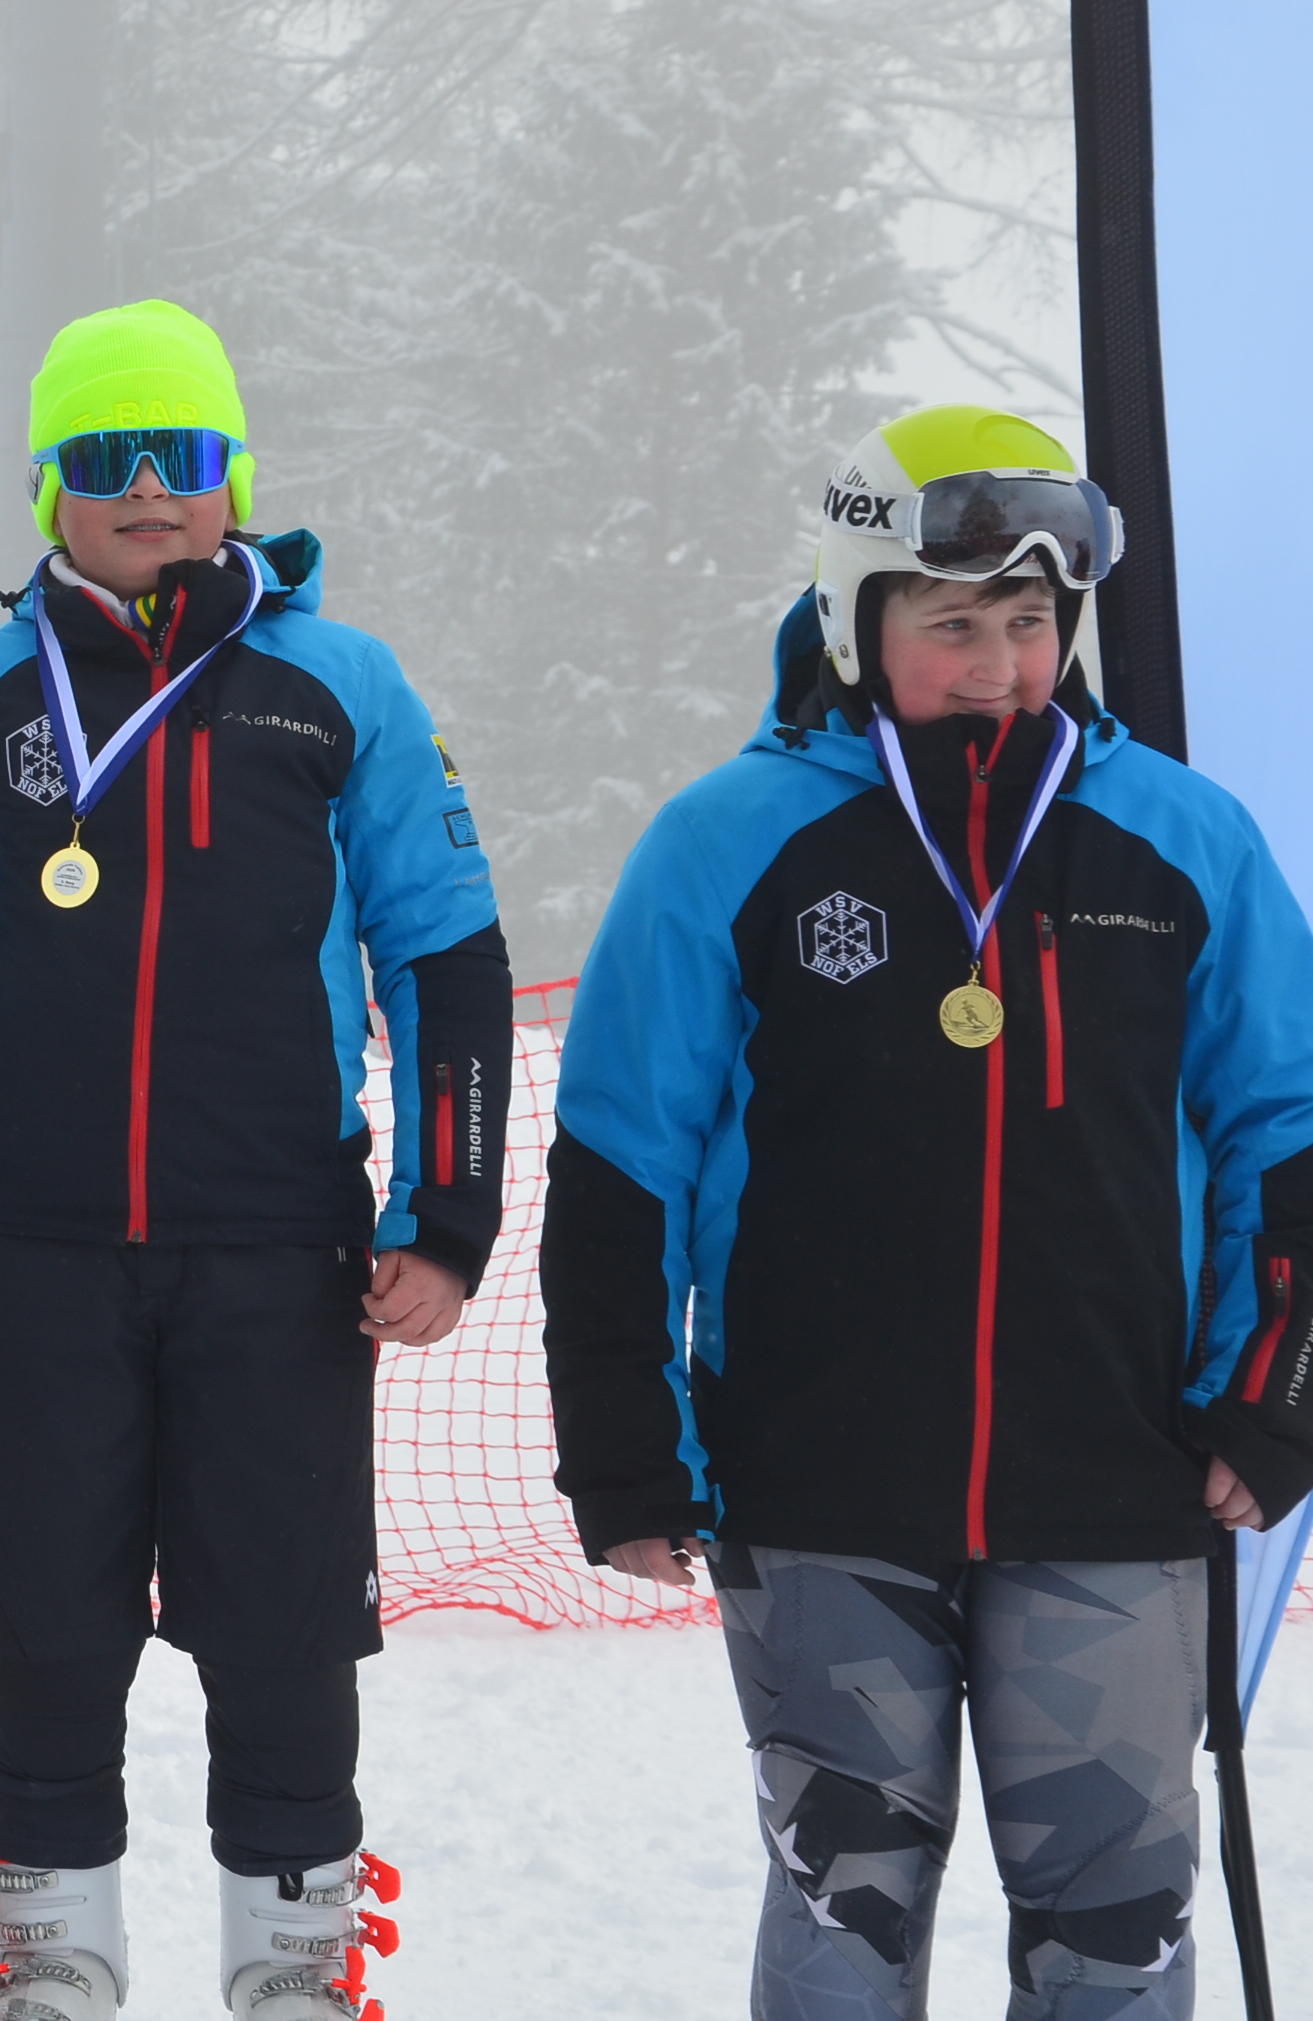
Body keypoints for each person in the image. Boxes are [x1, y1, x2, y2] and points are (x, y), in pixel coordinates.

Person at [0, 301, 511, 2021]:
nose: (147, 491)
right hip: (27, 1250)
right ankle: (51, 1963)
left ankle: (294, 1970)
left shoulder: (341, 686)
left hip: (278, 1250)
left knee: (283, 1634)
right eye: (104, 461)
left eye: (180, 456)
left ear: (233, 474)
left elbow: (446, 953)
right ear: (50, 490)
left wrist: (448, 1212)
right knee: (47, 1635)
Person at [540, 404, 1313, 2020]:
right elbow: (621, 1156)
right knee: (847, 1910)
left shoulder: (1181, 841)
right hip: (818, 1487)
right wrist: (624, 1441)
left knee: (1114, 1924)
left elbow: (1289, 1130)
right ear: (856, 618)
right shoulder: (728, 840)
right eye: (952, 624)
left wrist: (1275, 1390)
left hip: (1114, 1485)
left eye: (1028, 621)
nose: (998, 667)